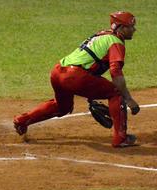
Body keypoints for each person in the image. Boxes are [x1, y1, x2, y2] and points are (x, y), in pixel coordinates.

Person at [13, 11, 141, 148]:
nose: (134, 29)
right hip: (75, 77)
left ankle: (22, 121)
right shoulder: (115, 42)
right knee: (116, 92)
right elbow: (115, 71)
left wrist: (90, 96)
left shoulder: (102, 35)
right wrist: (128, 98)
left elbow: (91, 64)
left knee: (62, 107)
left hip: (58, 71)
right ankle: (120, 138)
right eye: (130, 26)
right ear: (121, 28)